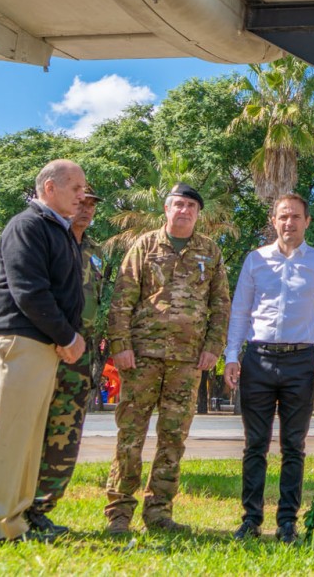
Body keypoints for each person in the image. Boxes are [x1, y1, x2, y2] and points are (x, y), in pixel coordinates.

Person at [0, 159, 89, 547]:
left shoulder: (58, 230)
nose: (83, 195)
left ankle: (12, 523)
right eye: (76, 187)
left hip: (40, 345)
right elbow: (29, 291)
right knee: (7, 437)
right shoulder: (28, 225)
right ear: (49, 188)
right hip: (20, 342)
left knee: (29, 441)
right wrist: (67, 337)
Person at [104, 183, 231, 534]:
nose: (184, 210)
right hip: (141, 357)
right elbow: (122, 299)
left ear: (198, 213)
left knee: (173, 438)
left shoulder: (210, 251)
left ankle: (159, 512)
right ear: (166, 208)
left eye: (191, 205)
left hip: (187, 361)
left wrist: (213, 347)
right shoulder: (144, 245)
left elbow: (220, 305)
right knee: (130, 434)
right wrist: (121, 344)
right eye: (178, 204)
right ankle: (119, 512)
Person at [225, 192, 314, 543]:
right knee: (254, 445)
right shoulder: (255, 260)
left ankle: (288, 522)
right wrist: (232, 355)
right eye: (282, 216)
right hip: (258, 359)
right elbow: (240, 311)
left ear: (307, 222)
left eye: (295, 217)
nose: (288, 222)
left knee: (294, 446)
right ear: (273, 221)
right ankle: (251, 519)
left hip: (300, 362)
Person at [27, 185, 111, 538]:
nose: (87, 209)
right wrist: (61, 336)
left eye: (93, 204)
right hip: (46, 345)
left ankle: (41, 509)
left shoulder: (95, 252)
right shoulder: (49, 238)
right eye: (82, 202)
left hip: (81, 352)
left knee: (66, 431)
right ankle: (15, 505)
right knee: (30, 430)